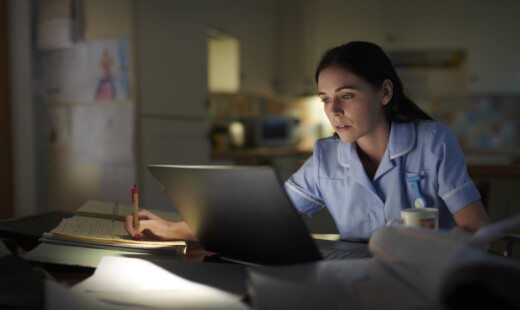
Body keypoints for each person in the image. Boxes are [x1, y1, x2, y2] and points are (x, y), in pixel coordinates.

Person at [125, 41, 489, 242]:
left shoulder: (434, 142)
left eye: (346, 95)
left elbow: (477, 229)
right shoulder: (326, 158)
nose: (334, 110)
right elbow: (261, 219)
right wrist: (176, 230)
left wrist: (454, 245)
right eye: (326, 98)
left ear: (384, 92)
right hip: (357, 284)